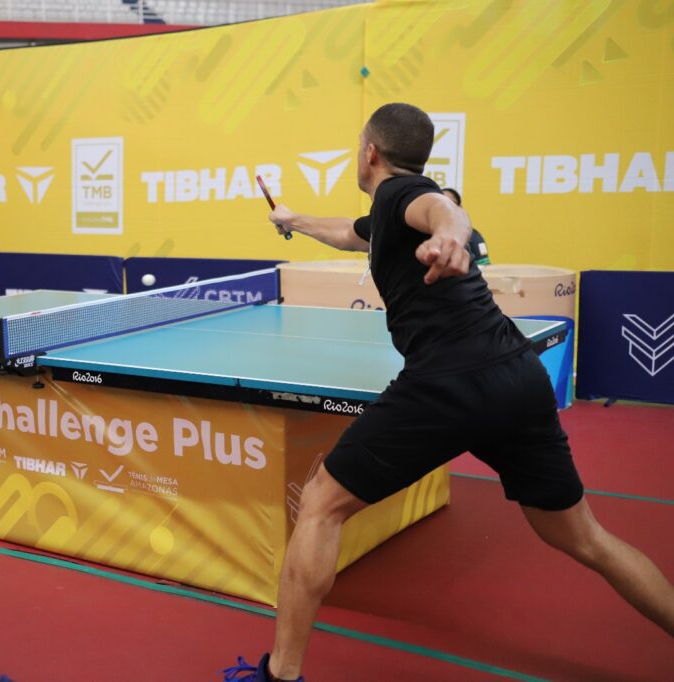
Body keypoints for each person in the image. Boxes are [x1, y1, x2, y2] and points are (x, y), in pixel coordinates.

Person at [225, 103, 674, 681]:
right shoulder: (386, 214)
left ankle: (279, 674)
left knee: (320, 506)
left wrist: (452, 236)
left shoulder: (404, 195)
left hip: (448, 380)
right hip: (517, 374)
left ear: (370, 152)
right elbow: (346, 233)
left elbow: (444, 211)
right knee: (586, 538)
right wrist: (292, 218)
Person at [441, 186, 491, 266]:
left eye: (450, 203)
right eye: (441, 204)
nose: (446, 208)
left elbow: (484, 267)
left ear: (459, 207)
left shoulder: (472, 235)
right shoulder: (422, 234)